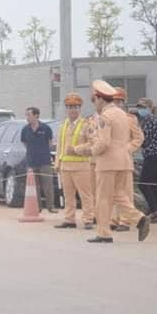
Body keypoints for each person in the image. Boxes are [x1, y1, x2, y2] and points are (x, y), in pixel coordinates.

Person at [86, 80, 149, 243]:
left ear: (100, 98)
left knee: (103, 198)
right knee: (118, 195)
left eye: (95, 100)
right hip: (123, 161)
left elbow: (104, 143)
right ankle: (139, 218)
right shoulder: (123, 115)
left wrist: (92, 151)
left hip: (107, 163)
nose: (95, 104)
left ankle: (104, 232)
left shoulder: (105, 116)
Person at [54, 93, 95, 230]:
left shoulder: (86, 125)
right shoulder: (63, 125)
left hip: (81, 166)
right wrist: (57, 163)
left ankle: (88, 219)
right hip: (66, 167)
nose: (73, 110)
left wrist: (76, 149)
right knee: (68, 196)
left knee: (85, 195)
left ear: (80, 108)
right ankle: (69, 219)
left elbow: (92, 144)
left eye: (76, 107)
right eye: (70, 107)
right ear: (66, 109)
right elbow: (60, 145)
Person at [111, 87, 144, 232]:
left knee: (125, 192)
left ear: (124, 103)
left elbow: (138, 138)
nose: (117, 104)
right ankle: (114, 219)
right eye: (114, 101)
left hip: (124, 161)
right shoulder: (107, 119)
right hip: (110, 162)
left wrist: (126, 149)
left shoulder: (130, 119)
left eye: (120, 102)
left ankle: (125, 221)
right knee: (112, 192)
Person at [20, 107, 56, 213]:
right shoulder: (25, 129)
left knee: (47, 185)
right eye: (26, 115)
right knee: (34, 186)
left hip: (44, 160)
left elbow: (50, 143)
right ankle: (37, 207)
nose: (27, 118)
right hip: (31, 161)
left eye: (29, 115)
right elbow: (24, 143)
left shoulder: (46, 128)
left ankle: (51, 206)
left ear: (36, 115)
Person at [136, 98, 157, 223]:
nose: (140, 110)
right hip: (156, 155)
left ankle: (154, 210)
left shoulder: (149, 120)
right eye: (139, 107)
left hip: (152, 155)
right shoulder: (152, 119)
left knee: (144, 184)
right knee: (154, 184)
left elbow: (144, 139)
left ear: (149, 108)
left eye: (143, 107)